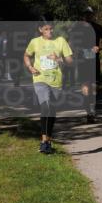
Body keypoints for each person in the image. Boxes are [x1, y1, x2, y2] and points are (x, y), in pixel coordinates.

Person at [24, 20, 73, 154]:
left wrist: (58, 58)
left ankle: (48, 140)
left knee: (51, 109)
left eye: (51, 29)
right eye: (46, 29)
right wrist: (30, 67)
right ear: (40, 29)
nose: (50, 31)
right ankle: (44, 141)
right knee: (46, 105)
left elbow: (70, 61)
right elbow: (27, 55)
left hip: (56, 81)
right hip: (40, 79)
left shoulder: (60, 41)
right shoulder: (35, 42)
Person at [75, 6, 102, 123]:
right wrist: (77, 49)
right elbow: (69, 43)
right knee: (85, 88)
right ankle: (89, 112)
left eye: (89, 14)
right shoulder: (76, 28)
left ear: (92, 15)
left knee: (94, 89)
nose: (87, 16)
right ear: (82, 15)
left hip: (94, 60)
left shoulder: (98, 27)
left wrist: (99, 47)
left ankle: (91, 109)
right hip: (82, 61)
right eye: (85, 14)